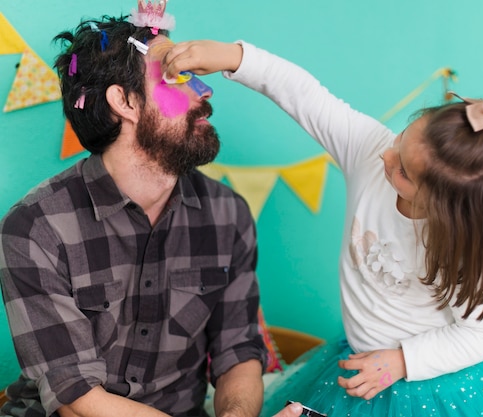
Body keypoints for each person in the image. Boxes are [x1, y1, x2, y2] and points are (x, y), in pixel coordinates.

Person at [161, 40, 483, 416]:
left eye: (403, 171)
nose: (386, 155)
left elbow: (481, 335)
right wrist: (235, 57)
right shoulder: (370, 152)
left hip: (435, 385)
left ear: (445, 208)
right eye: (400, 139)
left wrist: (402, 362)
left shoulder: (459, 246)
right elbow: (305, 96)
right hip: (360, 366)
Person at [0, 15, 303, 417]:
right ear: (123, 102)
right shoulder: (35, 227)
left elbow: (238, 351)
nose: (205, 90)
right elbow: (78, 402)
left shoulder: (228, 214)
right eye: (178, 78)